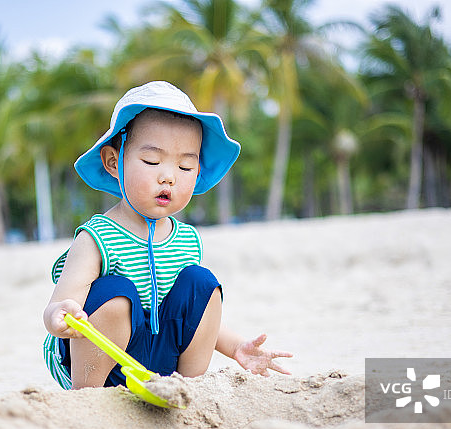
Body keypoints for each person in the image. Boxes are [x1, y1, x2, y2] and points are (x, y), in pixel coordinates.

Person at [42, 81, 293, 389]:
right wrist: (60, 313)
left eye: (186, 166)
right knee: (115, 293)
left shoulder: (186, 239)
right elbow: (60, 303)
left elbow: (191, 319)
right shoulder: (96, 237)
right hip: (102, 359)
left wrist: (237, 347)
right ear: (113, 162)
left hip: (156, 361)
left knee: (201, 284)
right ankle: (89, 398)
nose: (169, 176)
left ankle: (183, 389)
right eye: (151, 161)